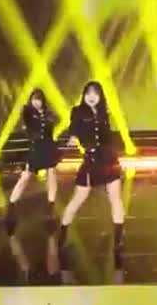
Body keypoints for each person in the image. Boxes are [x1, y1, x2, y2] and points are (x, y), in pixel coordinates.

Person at [57, 81, 124, 264]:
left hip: (108, 158)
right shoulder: (78, 111)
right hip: (91, 159)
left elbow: (108, 137)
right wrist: (72, 137)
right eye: (88, 93)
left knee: (115, 198)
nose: (92, 96)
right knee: (78, 197)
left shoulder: (103, 113)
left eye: (95, 93)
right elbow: (74, 127)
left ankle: (118, 240)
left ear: (100, 96)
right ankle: (62, 236)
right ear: (84, 95)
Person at [5, 88, 59, 235]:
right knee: (25, 177)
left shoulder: (49, 114)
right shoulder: (28, 112)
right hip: (35, 148)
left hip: (48, 147)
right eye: (34, 99)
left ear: (43, 101)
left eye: (39, 99)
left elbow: (54, 122)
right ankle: (11, 207)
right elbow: (24, 112)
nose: (36, 102)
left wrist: (47, 116)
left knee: (52, 175)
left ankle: (50, 207)